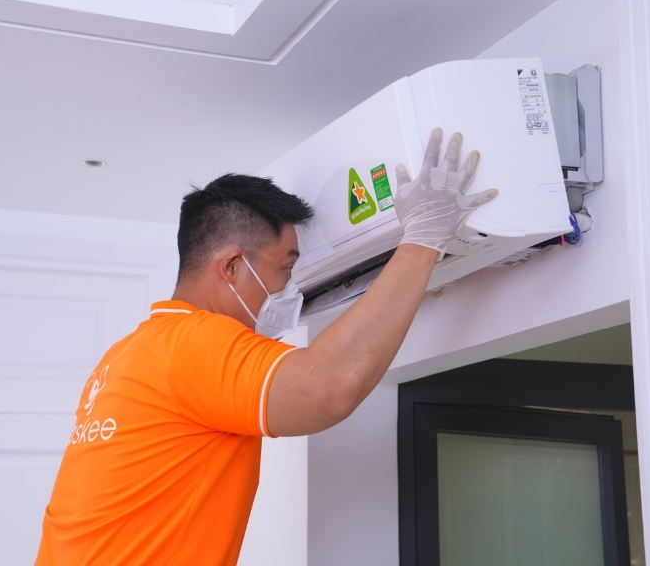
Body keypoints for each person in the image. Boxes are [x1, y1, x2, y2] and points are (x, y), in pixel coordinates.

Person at [35, 128, 497, 565]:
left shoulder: (127, 354)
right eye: (285, 269)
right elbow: (326, 389)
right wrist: (422, 240)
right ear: (231, 267)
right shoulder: (195, 343)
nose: (289, 289)